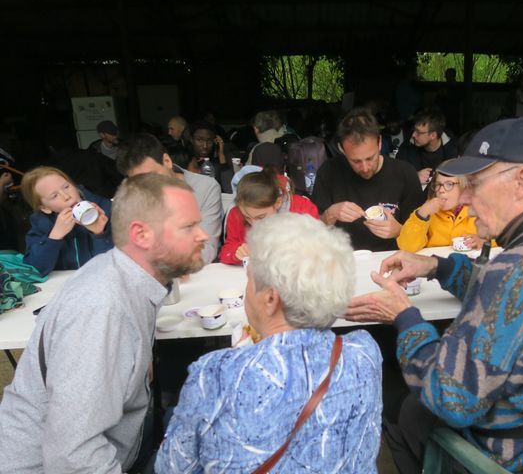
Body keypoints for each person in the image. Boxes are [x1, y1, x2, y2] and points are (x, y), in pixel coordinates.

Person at [346, 118, 523, 472]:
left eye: (475, 184)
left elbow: (451, 399)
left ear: (522, 181)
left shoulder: (509, 272)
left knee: (402, 409)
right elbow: (521, 299)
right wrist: (436, 266)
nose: (464, 200)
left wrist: (404, 317)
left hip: (512, 454)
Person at [0, 173, 208, 473]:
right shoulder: (101, 309)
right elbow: (72, 456)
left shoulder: (125, 274)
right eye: (188, 227)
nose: (202, 235)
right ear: (141, 235)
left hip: (124, 449)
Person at [155, 213, 383, 473]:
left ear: (271, 299)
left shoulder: (214, 373)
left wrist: (240, 361)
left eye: (250, 279)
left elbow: (172, 467)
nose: (247, 289)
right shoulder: (364, 352)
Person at [312, 107, 424, 251]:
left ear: (379, 143)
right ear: (341, 149)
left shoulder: (405, 174)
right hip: (343, 261)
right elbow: (312, 232)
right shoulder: (329, 172)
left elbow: (422, 236)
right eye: (356, 161)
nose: (365, 168)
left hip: (393, 261)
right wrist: (329, 215)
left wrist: (400, 231)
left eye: (370, 158)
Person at [116, 133, 223, 263]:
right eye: (140, 182)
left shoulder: (205, 187)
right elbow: (129, 251)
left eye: (152, 176)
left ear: (167, 161)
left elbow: (206, 250)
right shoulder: (135, 195)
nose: (148, 185)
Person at [21, 166, 113, 276]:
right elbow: (33, 271)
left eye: (66, 187)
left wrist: (99, 234)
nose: (66, 196)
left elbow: (114, 266)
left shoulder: (105, 208)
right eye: (54, 196)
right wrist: (55, 236)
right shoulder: (42, 223)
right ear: (45, 208)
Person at [219, 169, 319, 265]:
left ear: (278, 202)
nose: (254, 223)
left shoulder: (303, 209)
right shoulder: (236, 213)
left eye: (261, 217)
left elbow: (319, 249)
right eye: (247, 217)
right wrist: (236, 252)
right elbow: (225, 253)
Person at [396, 163, 485, 252]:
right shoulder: (427, 213)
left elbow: (496, 239)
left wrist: (483, 241)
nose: (441, 190)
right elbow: (406, 247)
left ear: (465, 187)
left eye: (449, 184)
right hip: (435, 263)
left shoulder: (479, 211)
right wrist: (421, 215)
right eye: (438, 185)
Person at [395, 109, 458, 186]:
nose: (413, 135)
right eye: (414, 130)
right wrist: (414, 177)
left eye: (418, 132)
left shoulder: (453, 151)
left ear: (433, 135)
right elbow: (396, 175)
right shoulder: (407, 147)